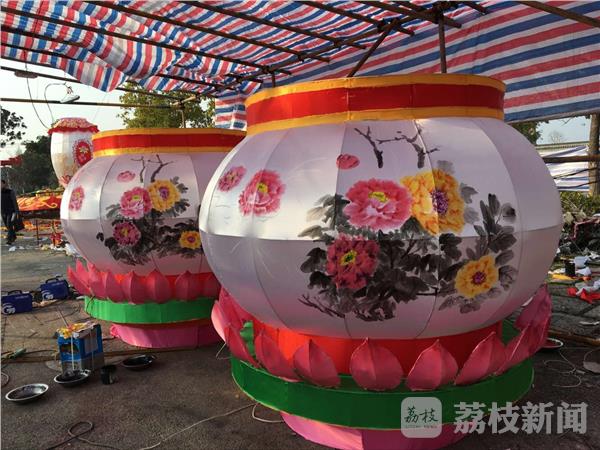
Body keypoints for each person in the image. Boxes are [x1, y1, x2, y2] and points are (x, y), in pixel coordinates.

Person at [1, 179, 20, 245]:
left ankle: (9, 239)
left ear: (4, 184)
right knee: (7, 225)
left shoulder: (10, 191)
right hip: (3, 211)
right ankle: (13, 236)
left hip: (11, 211)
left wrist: (17, 211)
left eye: (0, 183)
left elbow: (14, 202)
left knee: (9, 224)